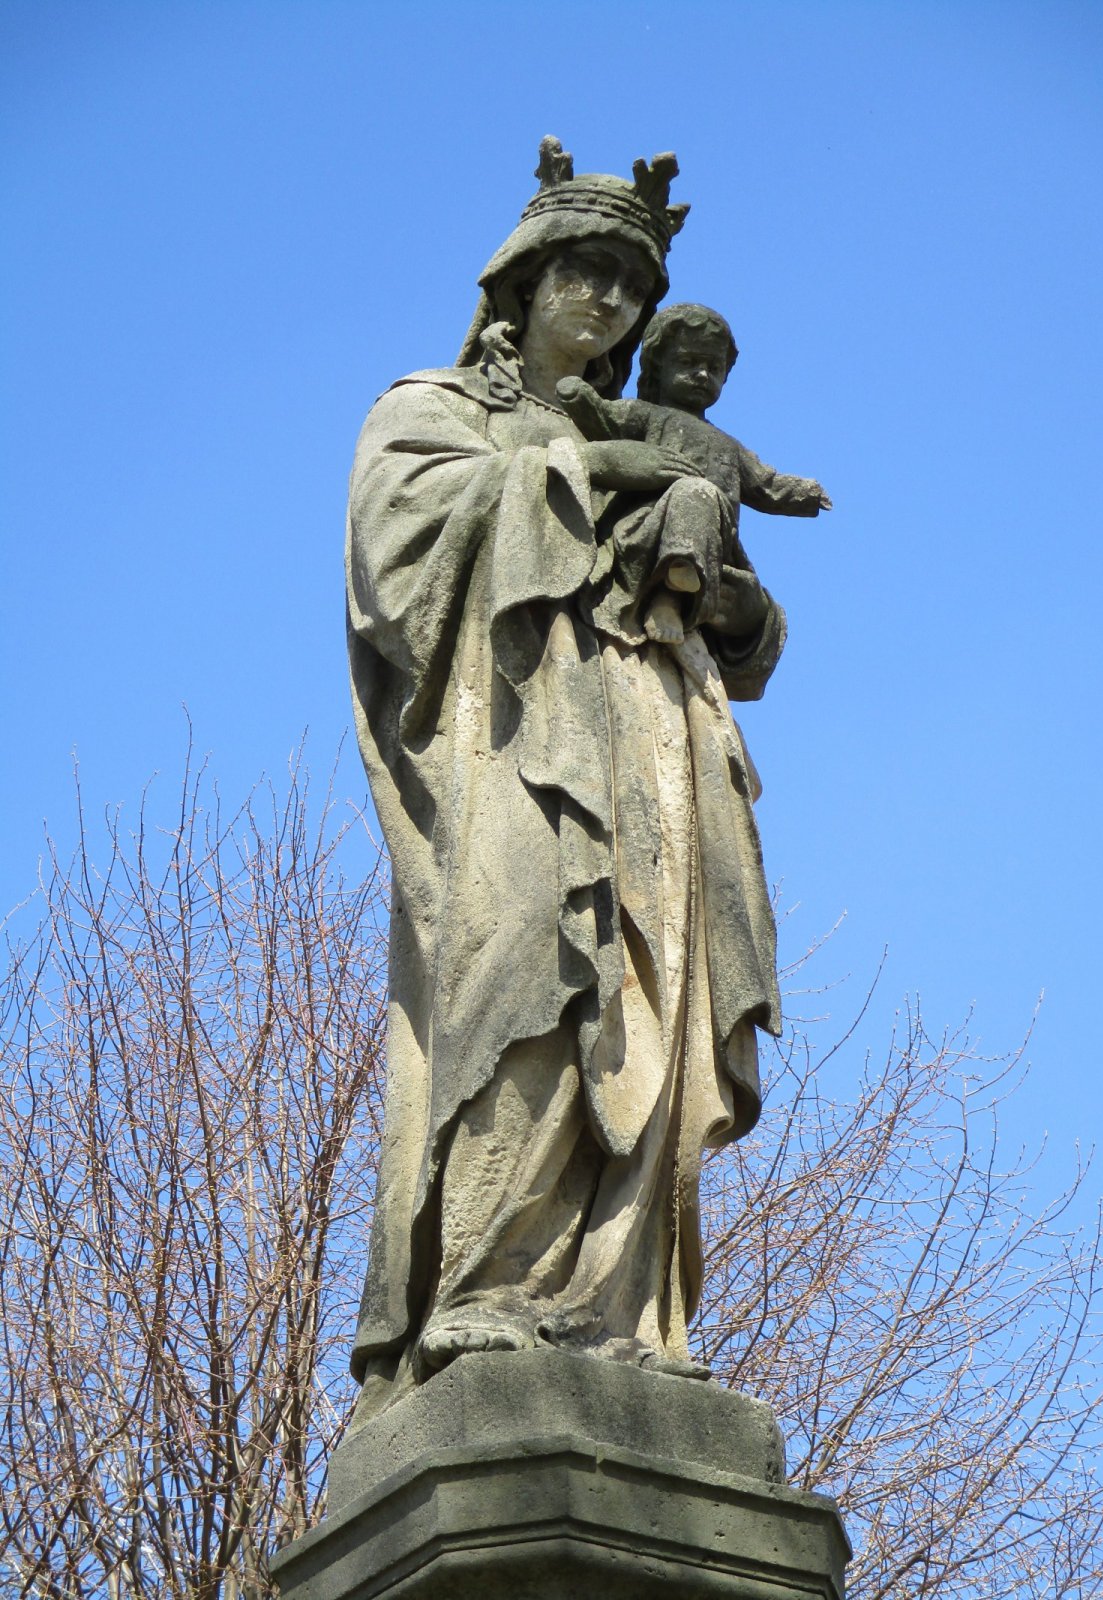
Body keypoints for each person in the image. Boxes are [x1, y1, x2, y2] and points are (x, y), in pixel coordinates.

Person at [346, 138, 786, 1428]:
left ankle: (620, 1309)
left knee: (656, 999)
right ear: (523, 282)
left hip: (658, 733)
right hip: (516, 741)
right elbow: (397, 555)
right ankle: (481, 1286)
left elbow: (747, 633)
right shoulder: (434, 407)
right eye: (584, 273)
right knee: (532, 971)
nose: (607, 300)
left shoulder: (657, 431)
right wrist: (584, 470)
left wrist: (735, 602)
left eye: (629, 286)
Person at [558, 302, 832, 644]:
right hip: (650, 526)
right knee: (695, 491)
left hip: (712, 543)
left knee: (701, 496)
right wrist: (579, 397)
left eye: (713, 368)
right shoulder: (645, 415)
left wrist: (807, 493)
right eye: (688, 363)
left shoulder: (729, 446)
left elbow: (767, 485)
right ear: (659, 367)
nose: (703, 375)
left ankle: (672, 601)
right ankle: (668, 595)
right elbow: (604, 419)